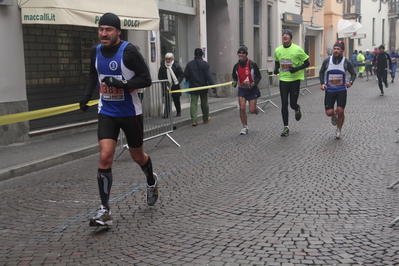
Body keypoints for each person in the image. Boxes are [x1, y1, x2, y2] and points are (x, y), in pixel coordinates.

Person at [79, 13, 158, 227]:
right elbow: (93, 76)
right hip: (107, 111)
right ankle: (104, 211)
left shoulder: (129, 51)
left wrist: (121, 83)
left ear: (118, 32)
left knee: (137, 156)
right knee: (105, 156)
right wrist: (86, 97)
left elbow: (146, 79)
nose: (104, 34)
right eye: (101, 29)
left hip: (130, 113)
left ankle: (151, 180)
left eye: (108, 30)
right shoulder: (95, 51)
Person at [273, 29, 310, 137]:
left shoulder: (297, 49)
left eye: (287, 35)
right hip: (283, 79)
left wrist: (297, 69)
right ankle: (286, 127)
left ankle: (296, 108)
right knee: (284, 103)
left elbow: (307, 63)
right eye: (283, 34)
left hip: (295, 80)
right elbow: (276, 62)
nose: (285, 36)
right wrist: (276, 69)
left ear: (290, 37)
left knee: (292, 104)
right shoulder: (277, 50)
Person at [319, 41, 356, 139]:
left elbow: (353, 74)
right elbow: (321, 72)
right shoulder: (327, 61)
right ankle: (333, 115)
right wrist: (322, 83)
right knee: (329, 113)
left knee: (340, 110)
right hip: (330, 90)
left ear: (342, 50)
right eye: (334, 49)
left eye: (338, 49)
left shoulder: (346, 62)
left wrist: (350, 82)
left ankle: (338, 130)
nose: (335, 51)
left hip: (341, 90)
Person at [232, 46, 262, 135]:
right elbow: (234, 77)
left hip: (252, 90)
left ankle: (255, 109)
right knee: (242, 108)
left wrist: (253, 83)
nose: (241, 54)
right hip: (242, 89)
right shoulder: (236, 66)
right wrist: (234, 82)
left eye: (243, 53)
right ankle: (245, 127)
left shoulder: (252, 64)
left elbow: (258, 76)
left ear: (246, 54)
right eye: (239, 53)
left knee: (252, 110)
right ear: (238, 54)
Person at [184, 48, 216, 126]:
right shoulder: (205, 64)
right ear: (202, 54)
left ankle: (194, 120)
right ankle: (205, 118)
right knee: (204, 103)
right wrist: (213, 86)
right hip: (203, 86)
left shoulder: (189, 64)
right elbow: (209, 76)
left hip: (193, 86)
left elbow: (186, 75)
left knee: (193, 103)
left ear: (194, 54)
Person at [158, 53, 185, 117]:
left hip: (175, 85)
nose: (168, 60)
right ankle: (166, 114)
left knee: (176, 99)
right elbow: (160, 76)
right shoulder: (162, 67)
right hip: (167, 86)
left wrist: (177, 81)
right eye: (167, 59)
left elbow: (181, 74)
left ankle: (178, 111)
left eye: (169, 59)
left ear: (172, 59)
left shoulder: (176, 66)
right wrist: (163, 82)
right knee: (167, 99)